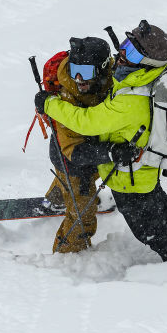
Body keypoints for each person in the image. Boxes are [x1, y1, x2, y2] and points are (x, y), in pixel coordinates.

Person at [36, 21, 167, 272]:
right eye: (126, 45)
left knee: (149, 230)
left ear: (148, 63)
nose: (124, 54)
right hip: (145, 169)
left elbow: (86, 122)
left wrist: (48, 105)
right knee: (161, 205)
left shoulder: (130, 99)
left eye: (135, 53)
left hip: (128, 176)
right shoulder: (151, 79)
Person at [42, 36, 116, 253]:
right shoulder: (67, 94)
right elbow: (73, 149)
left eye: (85, 72)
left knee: (70, 184)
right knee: (82, 218)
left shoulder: (114, 79)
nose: (78, 78)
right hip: (72, 159)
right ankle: (67, 257)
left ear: (103, 68)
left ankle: (58, 197)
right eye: (74, 69)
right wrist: (112, 153)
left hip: (94, 149)